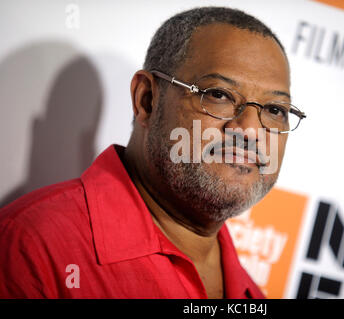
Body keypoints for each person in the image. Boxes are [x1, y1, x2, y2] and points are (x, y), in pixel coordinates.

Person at [0, 6, 305, 299]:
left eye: (275, 110)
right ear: (146, 100)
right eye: (218, 95)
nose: (250, 130)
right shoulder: (34, 247)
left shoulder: (252, 293)